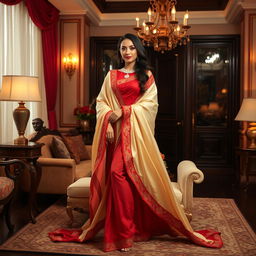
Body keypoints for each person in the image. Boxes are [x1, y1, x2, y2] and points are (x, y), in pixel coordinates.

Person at [49, 33, 223, 252]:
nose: (127, 52)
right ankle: (125, 232)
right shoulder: (111, 76)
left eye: (131, 47)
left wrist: (123, 112)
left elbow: (151, 106)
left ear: (138, 50)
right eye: (123, 48)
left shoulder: (146, 76)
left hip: (136, 137)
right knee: (116, 176)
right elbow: (102, 103)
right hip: (114, 136)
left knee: (122, 176)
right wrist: (109, 123)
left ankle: (131, 229)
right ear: (119, 51)